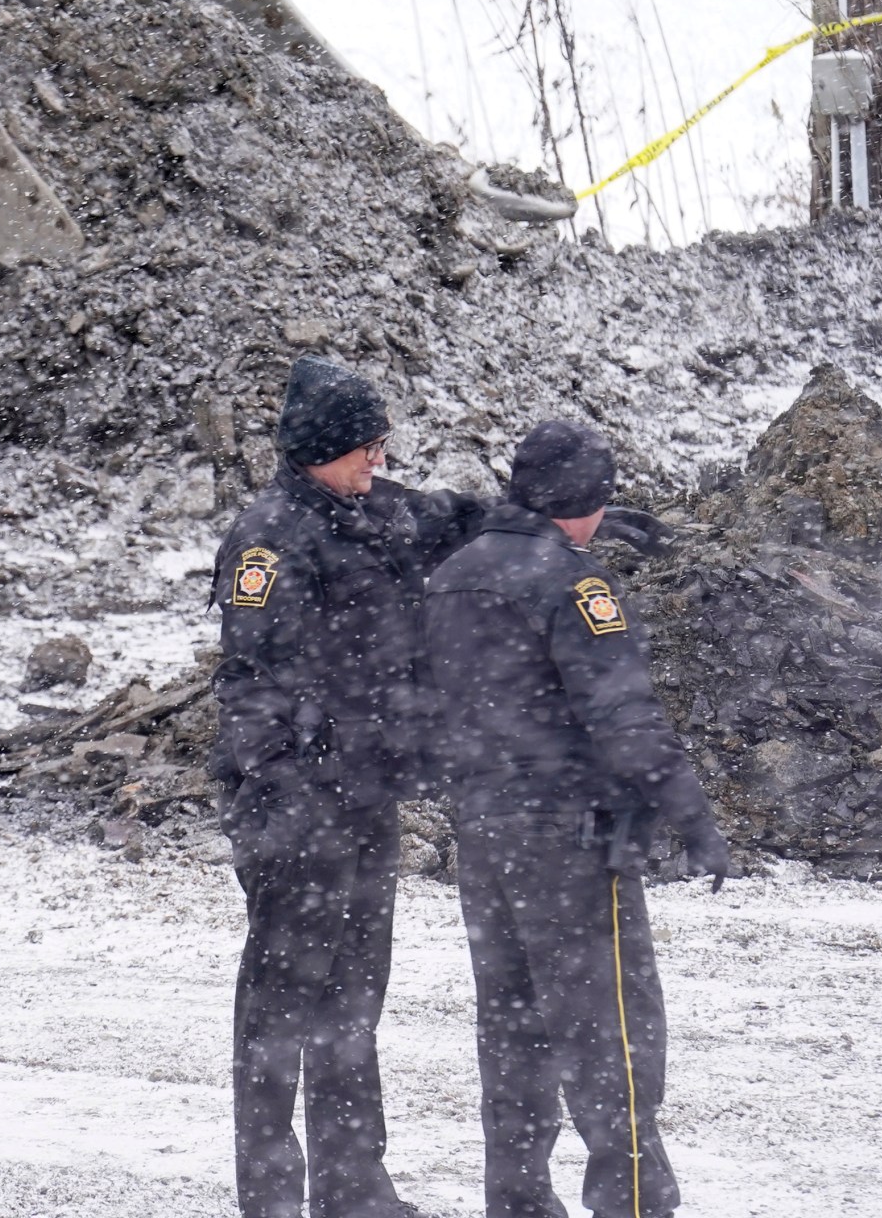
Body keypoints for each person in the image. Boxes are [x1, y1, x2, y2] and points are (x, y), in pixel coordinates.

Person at [422, 421, 729, 1218]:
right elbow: (621, 713)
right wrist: (689, 815)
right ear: (582, 499)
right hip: (570, 839)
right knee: (612, 1033)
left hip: (484, 833)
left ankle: (517, 1201)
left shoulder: (454, 575)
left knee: (512, 1026)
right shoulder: (572, 586)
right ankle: (632, 1202)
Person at [209, 356, 488, 1218]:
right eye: (365, 446)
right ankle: (271, 1193)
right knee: (281, 1010)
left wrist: (550, 520)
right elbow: (251, 689)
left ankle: (352, 1181)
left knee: (355, 996)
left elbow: (458, 517)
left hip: (364, 797)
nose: (379, 459)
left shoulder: (375, 509)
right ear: (321, 449)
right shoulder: (269, 540)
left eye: (382, 444)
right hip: (294, 811)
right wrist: (286, 798)